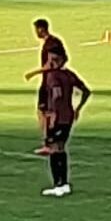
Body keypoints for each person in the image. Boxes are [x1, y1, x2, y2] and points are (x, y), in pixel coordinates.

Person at [40, 61, 91, 197]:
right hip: (68, 116)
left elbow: (57, 96)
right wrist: (78, 108)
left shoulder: (53, 76)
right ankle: (64, 184)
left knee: (54, 149)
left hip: (57, 117)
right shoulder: (69, 74)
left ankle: (59, 184)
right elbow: (86, 91)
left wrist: (52, 115)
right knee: (61, 148)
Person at [24, 19, 68, 154]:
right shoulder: (56, 41)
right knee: (47, 112)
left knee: (45, 114)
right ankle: (54, 144)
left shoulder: (50, 44)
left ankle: (48, 144)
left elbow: (50, 64)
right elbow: (64, 59)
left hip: (49, 82)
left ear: (40, 29)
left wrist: (33, 73)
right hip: (52, 81)